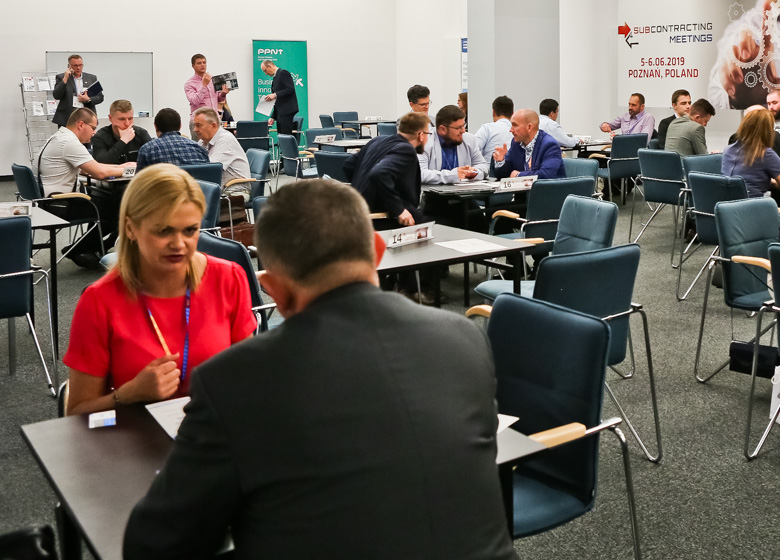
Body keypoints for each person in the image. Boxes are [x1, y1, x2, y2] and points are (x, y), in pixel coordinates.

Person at [122, 179, 518, 560]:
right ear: (378, 249)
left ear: (272, 288)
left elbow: (155, 544)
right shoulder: (463, 337)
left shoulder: (234, 380)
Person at [63, 164, 255, 416]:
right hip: (136, 435)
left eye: (190, 230)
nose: (179, 244)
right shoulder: (100, 301)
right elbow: (77, 413)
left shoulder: (228, 278)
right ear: (130, 228)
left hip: (212, 431)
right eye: (164, 231)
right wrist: (128, 394)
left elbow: (248, 379)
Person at [39, 107, 135, 267]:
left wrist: (119, 167)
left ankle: (88, 249)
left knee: (110, 203)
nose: (94, 132)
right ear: (81, 124)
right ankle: (79, 249)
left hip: (51, 202)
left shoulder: (59, 137)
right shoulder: (69, 143)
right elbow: (99, 173)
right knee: (122, 209)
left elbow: (88, 167)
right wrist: (131, 170)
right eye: (93, 128)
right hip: (61, 206)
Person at [345, 112, 429, 229]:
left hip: (358, 209)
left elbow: (348, 165)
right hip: (379, 217)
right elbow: (379, 173)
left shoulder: (377, 140)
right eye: (428, 134)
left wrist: (363, 187)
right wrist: (398, 209)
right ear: (421, 135)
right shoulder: (406, 149)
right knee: (431, 224)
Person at [722, 108, 780, 198]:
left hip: (726, 203)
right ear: (768, 130)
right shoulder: (765, 154)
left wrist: (772, 182)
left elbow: (746, 179)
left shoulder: (727, 150)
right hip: (753, 204)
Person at [419, 105, 489, 184]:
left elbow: (483, 166)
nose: (463, 131)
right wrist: (453, 175)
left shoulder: (469, 139)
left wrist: (472, 172)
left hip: (464, 190)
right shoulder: (424, 142)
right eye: (458, 128)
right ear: (443, 129)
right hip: (433, 191)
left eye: (463, 126)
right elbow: (420, 173)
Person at [193, 107, 251, 196]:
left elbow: (210, 170)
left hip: (234, 191)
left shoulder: (225, 139)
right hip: (217, 190)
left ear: (213, 125)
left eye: (198, 125)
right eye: (195, 125)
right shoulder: (202, 141)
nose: (195, 129)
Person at [492, 108, 565, 179]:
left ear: (529, 127)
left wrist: (519, 175)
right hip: (522, 187)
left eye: (515, 125)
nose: (511, 130)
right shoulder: (516, 143)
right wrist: (500, 161)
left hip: (547, 187)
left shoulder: (550, 145)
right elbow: (503, 173)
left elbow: (546, 175)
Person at [136, 108, 209, 170]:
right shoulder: (199, 149)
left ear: (155, 126)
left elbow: (140, 180)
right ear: (180, 126)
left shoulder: (147, 150)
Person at [91, 99, 151, 165]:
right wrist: (123, 141)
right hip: (112, 171)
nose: (127, 124)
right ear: (110, 118)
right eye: (122, 119)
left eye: (130, 118)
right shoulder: (100, 136)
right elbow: (100, 163)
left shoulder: (141, 133)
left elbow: (153, 158)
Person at [51, 54, 104, 127]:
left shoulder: (91, 78)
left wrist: (88, 99)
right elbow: (56, 95)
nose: (78, 68)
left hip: (87, 117)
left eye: (80, 65)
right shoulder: (61, 77)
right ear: (69, 66)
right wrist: (65, 78)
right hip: (67, 118)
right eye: (75, 65)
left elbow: (100, 97)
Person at [184, 54, 228, 138]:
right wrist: (204, 86)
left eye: (204, 62)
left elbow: (218, 99)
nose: (202, 65)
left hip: (215, 120)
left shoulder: (213, 80)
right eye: (199, 63)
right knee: (199, 145)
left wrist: (223, 93)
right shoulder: (189, 83)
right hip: (199, 122)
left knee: (219, 143)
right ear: (193, 66)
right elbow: (195, 101)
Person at [261, 60, 298, 135]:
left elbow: (290, 89)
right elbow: (277, 101)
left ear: (270, 66)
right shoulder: (275, 78)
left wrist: (275, 95)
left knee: (285, 137)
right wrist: (273, 117)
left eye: (265, 70)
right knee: (281, 137)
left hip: (286, 111)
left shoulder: (283, 73)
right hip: (280, 113)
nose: (265, 73)